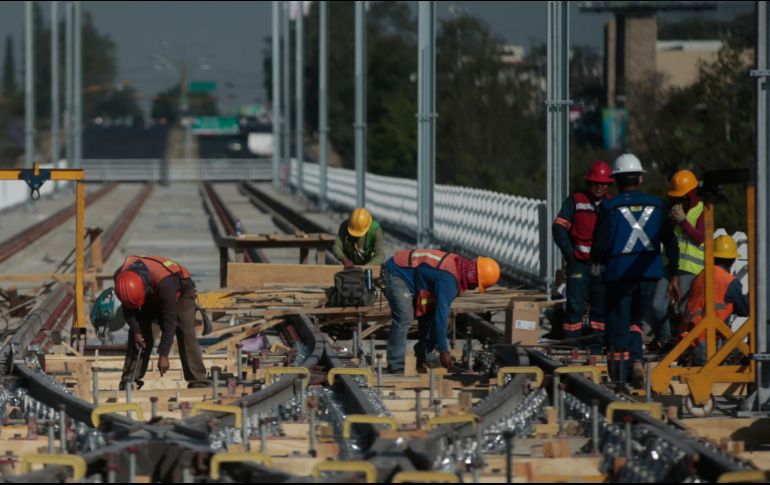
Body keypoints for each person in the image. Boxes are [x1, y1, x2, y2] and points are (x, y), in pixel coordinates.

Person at [592, 154, 678, 389]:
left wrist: (596, 267)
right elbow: (670, 241)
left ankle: (620, 379)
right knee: (636, 321)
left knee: (618, 325)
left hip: (619, 276)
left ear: (616, 181)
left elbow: (599, 245)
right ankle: (637, 363)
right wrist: (676, 274)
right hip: (650, 275)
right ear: (640, 178)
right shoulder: (657, 205)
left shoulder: (609, 207)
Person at [381, 249, 500, 372]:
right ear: (473, 276)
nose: (475, 287)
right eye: (477, 284)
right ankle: (395, 365)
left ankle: (424, 354)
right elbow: (441, 316)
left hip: (417, 278)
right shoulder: (449, 280)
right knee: (404, 318)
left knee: (430, 314)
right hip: (397, 273)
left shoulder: (459, 269)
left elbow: (435, 314)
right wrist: (443, 350)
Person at [114, 255, 209, 389]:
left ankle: (199, 381)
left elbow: (170, 321)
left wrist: (163, 354)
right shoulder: (121, 278)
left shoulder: (166, 284)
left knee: (185, 330)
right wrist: (136, 331)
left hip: (180, 294)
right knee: (141, 334)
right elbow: (128, 309)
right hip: (151, 295)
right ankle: (129, 379)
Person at [552, 161, 613, 353]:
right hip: (578, 264)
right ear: (589, 183)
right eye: (596, 183)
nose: (599, 187)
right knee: (575, 306)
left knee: (599, 308)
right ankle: (572, 345)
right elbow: (559, 228)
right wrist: (570, 254)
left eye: (603, 184)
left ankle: (596, 345)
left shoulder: (612, 205)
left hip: (602, 265)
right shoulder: (575, 201)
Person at [650, 170, 705, 350]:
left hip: (690, 269)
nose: (678, 200)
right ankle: (665, 339)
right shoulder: (675, 210)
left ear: (690, 193)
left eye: (682, 196)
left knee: (684, 311)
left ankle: (686, 347)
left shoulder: (703, 210)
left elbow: (700, 237)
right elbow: (666, 235)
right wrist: (671, 221)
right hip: (669, 265)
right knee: (657, 305)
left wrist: (683, 221)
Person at [684, 234, 748, 366]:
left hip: (690, 339)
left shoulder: (699, 277)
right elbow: (745, 310)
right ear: (732, 260)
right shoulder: (729, 282)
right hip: (710, 344)